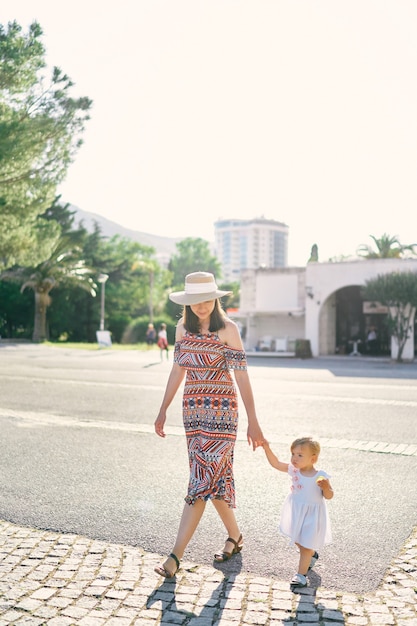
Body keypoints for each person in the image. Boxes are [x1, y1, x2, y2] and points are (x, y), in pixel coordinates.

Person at [154, 271, 265, 578]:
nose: (201, 307)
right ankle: (236, 537)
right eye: (194, 301)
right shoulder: (181, 328)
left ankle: (175, 556)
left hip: (222, 414)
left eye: (205, 300)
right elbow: (178, 370)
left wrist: (253, 421)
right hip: (192, 412)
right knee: (214, 484)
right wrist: (163, 408)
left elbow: (242, 376)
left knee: (202, 480)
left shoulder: (227, 329)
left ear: (215, 299)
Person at [262, 436, 333, 590]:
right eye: (293, 454)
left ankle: (301, 576)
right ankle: (311, 555)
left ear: (313, 459)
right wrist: (266, 447)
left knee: (306, 543)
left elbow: (329, 496)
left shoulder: (320, 475)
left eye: (300, 455)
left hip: (313, 515)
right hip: (296, 511)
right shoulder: (294, 470)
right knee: (298, 540)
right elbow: (276, 463)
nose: (294, 458)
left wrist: (326, 487)